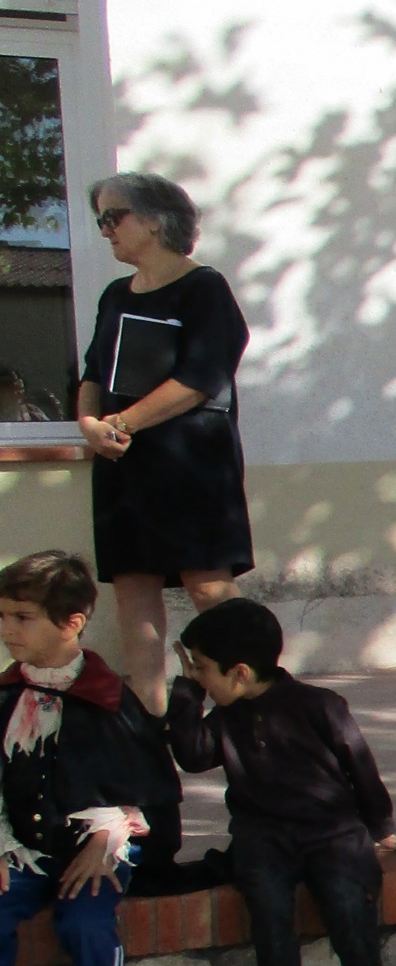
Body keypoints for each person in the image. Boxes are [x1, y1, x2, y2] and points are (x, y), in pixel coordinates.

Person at [167, 598, 396, 966]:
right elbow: (191, 755)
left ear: (238, 673)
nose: (199, 677)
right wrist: (188, 692)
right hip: (264, 836)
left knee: (348, 905)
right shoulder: (227, 716)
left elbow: (360, 765)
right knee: (268, 908)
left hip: (331, 831)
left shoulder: (320, 705)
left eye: (203, 669)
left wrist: (380, 823)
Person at [0, 551, 178, 966]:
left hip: (96, 851)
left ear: (71, 622)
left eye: (22, 618)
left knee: (86, 922)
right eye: (2, 617)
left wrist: (110, 833)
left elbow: (151, 794)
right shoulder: (6, 696)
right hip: (21, 848)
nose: (7, 631)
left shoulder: (108, 699)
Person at [74, 174, 253, 715]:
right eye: (100, 219)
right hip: (123, 462)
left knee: (207, 586)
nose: (105, 230)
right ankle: (149, 721)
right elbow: (93, 372)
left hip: (192, 463)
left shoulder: (204, 289)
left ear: (155, 220)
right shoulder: (114, 295)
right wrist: (88, 423)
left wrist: (121, 422)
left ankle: (252, 711)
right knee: (133, 586)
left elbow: (201, 377)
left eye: (113, 217)